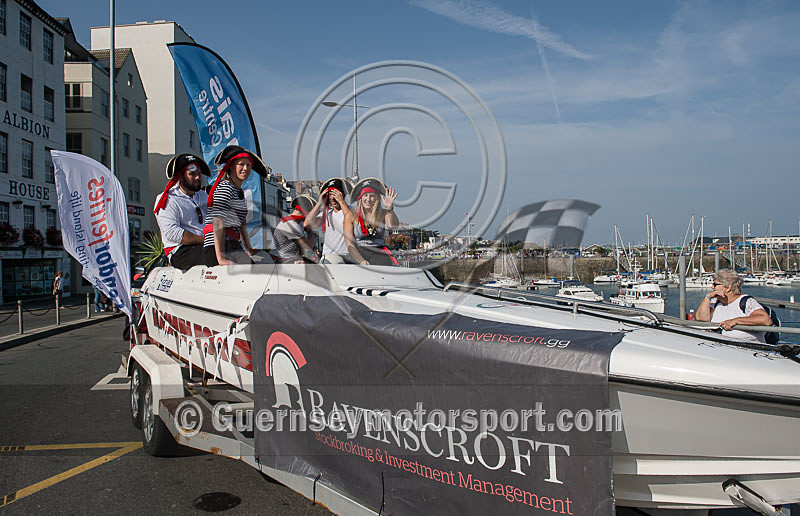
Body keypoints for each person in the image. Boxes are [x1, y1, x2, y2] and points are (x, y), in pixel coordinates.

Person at [204, 145, 268, 266]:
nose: (246, 168)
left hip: (232, 244)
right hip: (218, 246)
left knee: (257, 272)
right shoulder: (225, 187)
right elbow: (218, 221)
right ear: (231, 166)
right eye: (241, 164)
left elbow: (241, 223)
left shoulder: (238, 191)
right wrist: (221, 258)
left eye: (249, 165)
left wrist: (248, 249)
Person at [153, 153, 211, 271]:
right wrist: (206, 240)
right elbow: (172, 233)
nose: (197, 178)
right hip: (180, 251)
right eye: (192, 174)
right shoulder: (168, 199)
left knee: (234, 251)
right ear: (180, 176)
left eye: (199, 174)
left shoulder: (203, 196)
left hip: (206, 246)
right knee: (215, 255)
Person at [695, 268, 772, 343]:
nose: (712, 287)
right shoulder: (715, 302)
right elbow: (702, 319)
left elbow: (765, 320)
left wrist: (736, 321)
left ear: (728, 287)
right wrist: (707, 297)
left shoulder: (746, 302)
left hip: (748, 349)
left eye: (715, 284)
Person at [343, 177, 400, 266]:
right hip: (358, 252)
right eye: (365, 195)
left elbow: (392, 226)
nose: (368, 199)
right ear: (360, 198)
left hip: (378, 252)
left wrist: (389, 208)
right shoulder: (351, 215)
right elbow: (349, 243)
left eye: (372, 196)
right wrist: (361, 261)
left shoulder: (383, 213)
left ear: (377, 199)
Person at [304, 178, 353, 264]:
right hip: (330, 257)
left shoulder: (352, 211)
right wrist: (320, 203)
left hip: (349, 256)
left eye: (335, 194)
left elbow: (351, 219)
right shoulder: (327, 214)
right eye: (330, 194)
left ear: (343, 194)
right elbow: (307, 224)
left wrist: (341, 201)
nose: (332, 198)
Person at [271, 195, 318, 264]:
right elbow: (308, 248)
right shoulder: (292, 225)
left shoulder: (296, 222)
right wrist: (309, 231)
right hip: (282, 261)